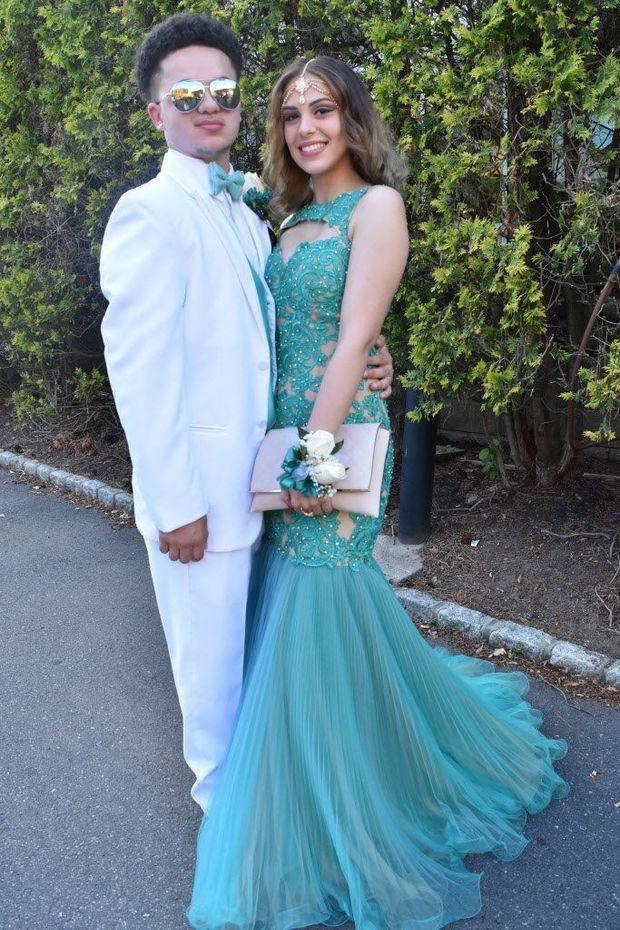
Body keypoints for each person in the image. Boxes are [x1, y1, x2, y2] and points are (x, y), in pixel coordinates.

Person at [188, 56, 568, 930]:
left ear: (352, 118)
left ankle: (340, 812)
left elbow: (358, 335)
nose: (306, 127)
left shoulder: (377, 208)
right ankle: (332, 776)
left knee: (319, 602)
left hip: (333, 439)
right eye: (291, 115)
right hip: (283, 433)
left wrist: (315, 458)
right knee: (298, 607)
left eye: (322, 109)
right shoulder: (288, 222)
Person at [99, 15, 394, 813]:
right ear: (156, 112)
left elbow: (286, 333)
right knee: (213, 697)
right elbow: (141, 376)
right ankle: (237, 840)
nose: (206, 105)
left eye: (221, 91)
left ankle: (270, 815)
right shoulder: (150, 213)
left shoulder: (245, 209)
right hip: (204, 505)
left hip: (264, 483)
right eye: (184, 93)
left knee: (249, 668)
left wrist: (373, 356)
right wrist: (177, 505)